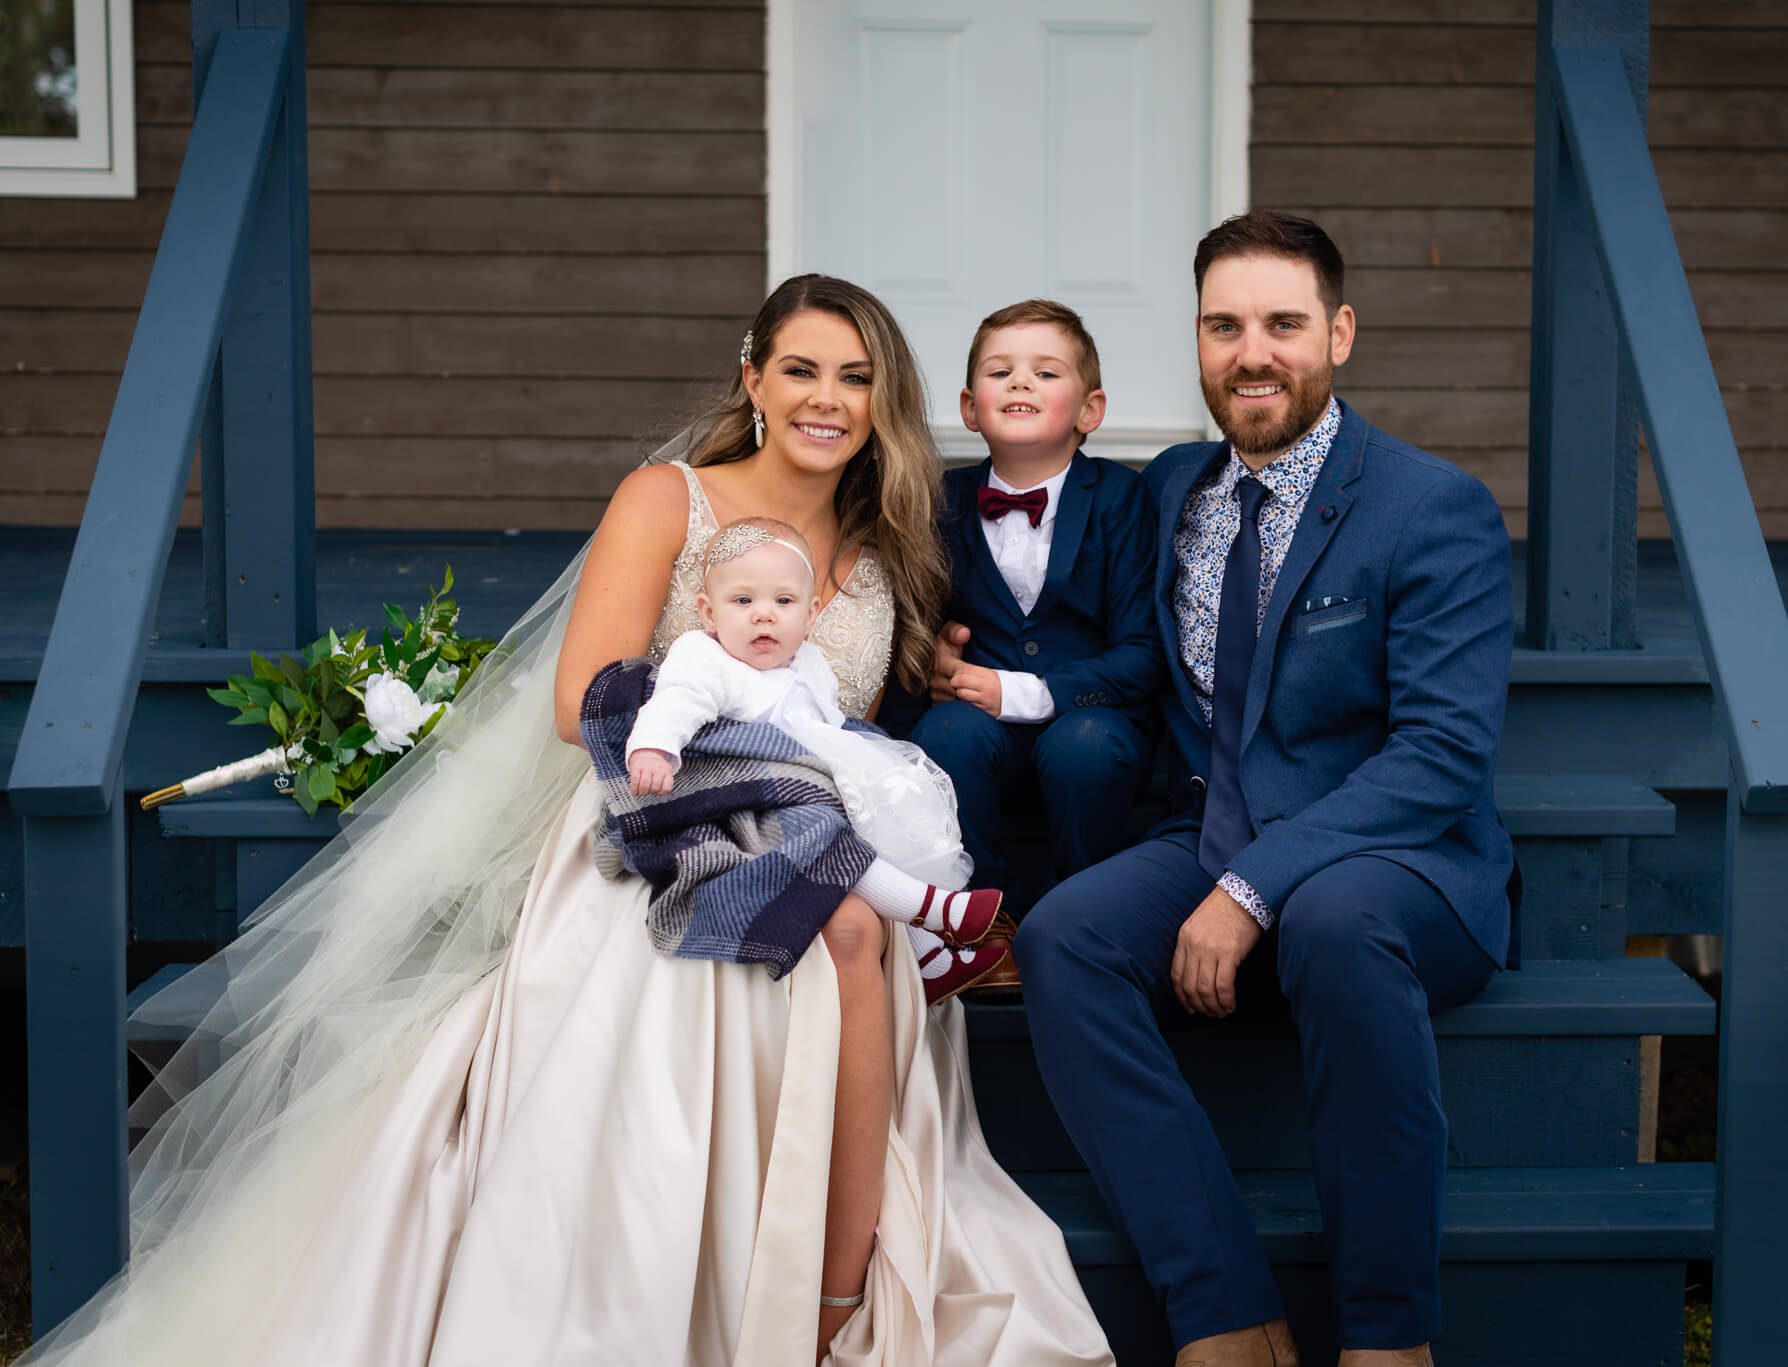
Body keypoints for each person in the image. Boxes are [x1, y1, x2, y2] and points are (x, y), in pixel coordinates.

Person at [19, 275, 1112, 1367]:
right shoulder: (669, 499)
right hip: (662, 809)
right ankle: (729, 1284)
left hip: (820, 820)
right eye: (800, 370)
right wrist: (741, 774)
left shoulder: (887, 545)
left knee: (855, 925)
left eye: (855, 377)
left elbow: (855, 721)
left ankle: (839, 1283)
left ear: (883, 399)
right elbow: (579, 696)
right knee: (799, 940)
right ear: (753, 379)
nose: (827, 398)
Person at [1012, 212, 1518, 1367]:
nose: (1252, 354)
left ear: (1337, 333)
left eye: (1282, 324)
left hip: (1399, 859)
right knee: (1061, 938)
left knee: (1333, 921)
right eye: (1224, 326)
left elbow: (1441, 754)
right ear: (1195, 339)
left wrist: (1250, 887)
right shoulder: (1169, 488)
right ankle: (1225, 1312)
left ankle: (1388, 1336)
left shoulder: (1428, 505)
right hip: (1211, 823)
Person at [623, 516, 1012, 1001]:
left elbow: (829, 725)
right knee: (828, 832)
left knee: (881, 818)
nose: (764, 616)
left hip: (813, 779)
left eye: (783, 602)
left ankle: (927, 957)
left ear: (810, 616)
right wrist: (654, 748)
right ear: (709, 612)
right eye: (743, 601)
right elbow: (676, 701)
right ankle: (935, 909)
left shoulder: (808, 662)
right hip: (748, 798)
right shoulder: (705, 657)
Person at [910, 300, 1164, 912]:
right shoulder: (939, 502)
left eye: (1045, 373)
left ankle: (1084, 912)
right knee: (946, 733)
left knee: (1086, 747)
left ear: (1089, 411)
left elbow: (1146, 651)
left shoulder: (1122, 497)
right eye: (1000, 372)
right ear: (969, 408)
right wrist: (931, 658)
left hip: (1091, 724)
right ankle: (977, 918)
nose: (1020, 382)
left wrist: (1027, 692)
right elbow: (913, 619)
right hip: (978, 728)